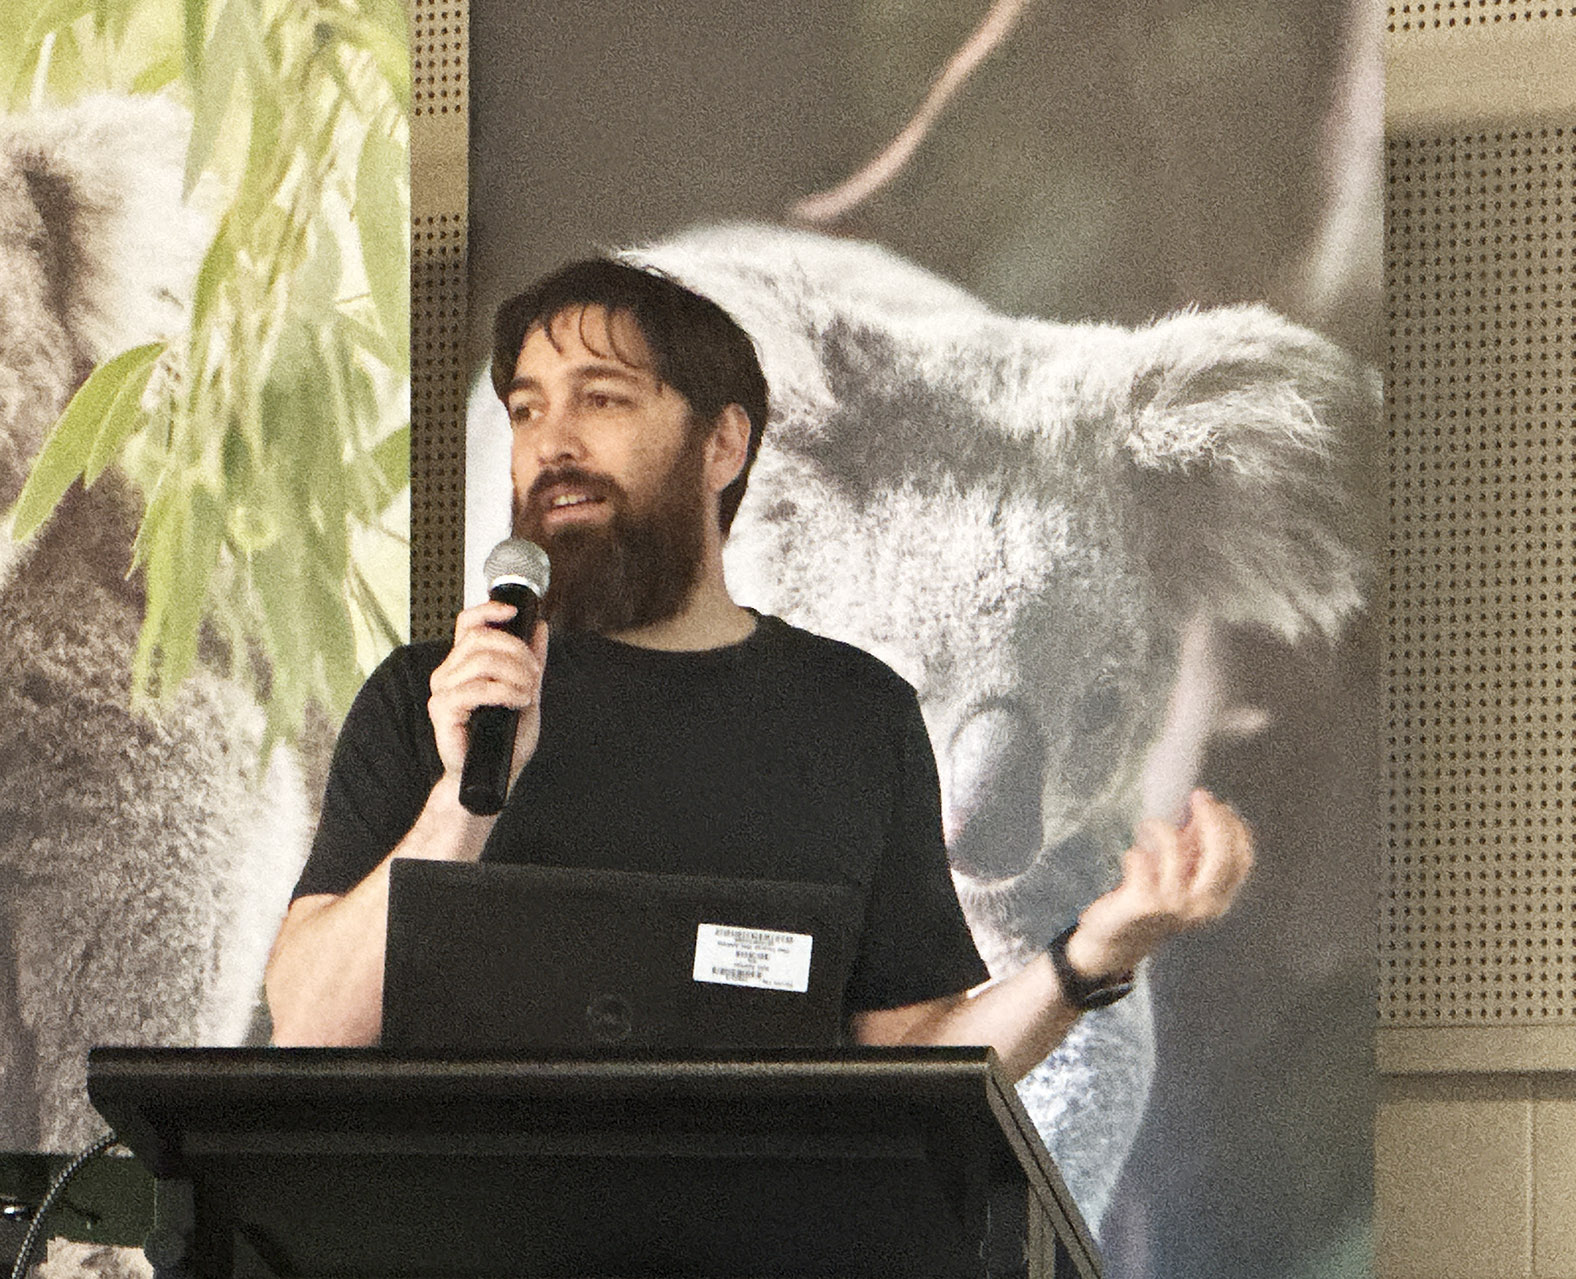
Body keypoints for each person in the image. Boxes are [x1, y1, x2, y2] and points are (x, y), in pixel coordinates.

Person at [264, 259, 1253, 1070]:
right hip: (456, 1276)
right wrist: (459, 803)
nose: (551, 442)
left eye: (598, 401)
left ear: (722, 443)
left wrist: (1092, 954)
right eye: (525, 411)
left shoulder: (858, 717)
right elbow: (311, 1026)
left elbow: (916, 1054)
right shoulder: (429, 699)